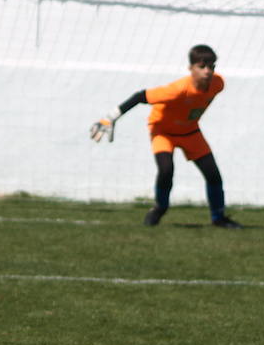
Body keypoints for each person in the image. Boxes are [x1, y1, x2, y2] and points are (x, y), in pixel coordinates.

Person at [90, 44, 241, 229]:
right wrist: (110, 118)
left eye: (212, 67)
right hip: (163, 131)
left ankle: (218, 218)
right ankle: (159, 209)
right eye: (202, 67)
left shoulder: (218, 84)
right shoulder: (177, 89)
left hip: (190, 132)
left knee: (213, 175)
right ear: (190, 68)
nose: (208, 71)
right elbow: (140, 96)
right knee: (166, 170)